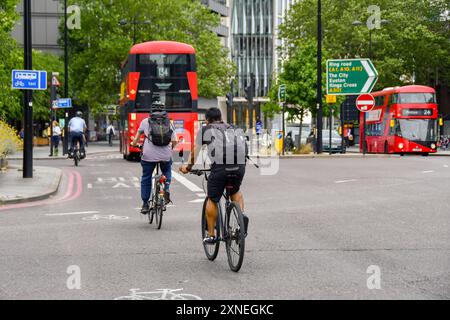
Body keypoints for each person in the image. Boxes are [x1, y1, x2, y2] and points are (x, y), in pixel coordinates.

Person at [179, 107, 248, 244]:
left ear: (207, 120)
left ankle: (211, 235)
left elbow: (195, 152)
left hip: (220, 168)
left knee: (212, 198)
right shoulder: (233, 127)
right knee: (235, 190)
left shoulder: (205, 130)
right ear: (220, 117)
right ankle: (241, 218)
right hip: (240, 166)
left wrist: (188, 167)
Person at [131, 101, 178, 214]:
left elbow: (136, 139)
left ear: (150, 110)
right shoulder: (169, 122)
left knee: (146, 177)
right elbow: (175, 141)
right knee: (167, 170)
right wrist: (169, 149)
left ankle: (145, 204)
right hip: (165, 155)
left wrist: (134, 144)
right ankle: (166, 188)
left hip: (148, 155)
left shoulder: (145, 121)